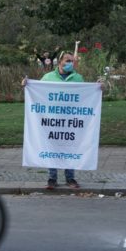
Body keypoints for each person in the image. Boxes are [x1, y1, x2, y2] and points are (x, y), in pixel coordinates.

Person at [22, 51, 85, 190]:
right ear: (60, 61)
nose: (70, 63)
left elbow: (85, 96)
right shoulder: (48, 77)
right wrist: (27, 85)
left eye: (72, 61)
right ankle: (52, 179)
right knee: (52, 148)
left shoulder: (78, 78)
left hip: (70, 121)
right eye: (67, 60)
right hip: (52, 121)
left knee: (70, 147)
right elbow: (39, 92)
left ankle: (70, 178)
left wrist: (99, 88)